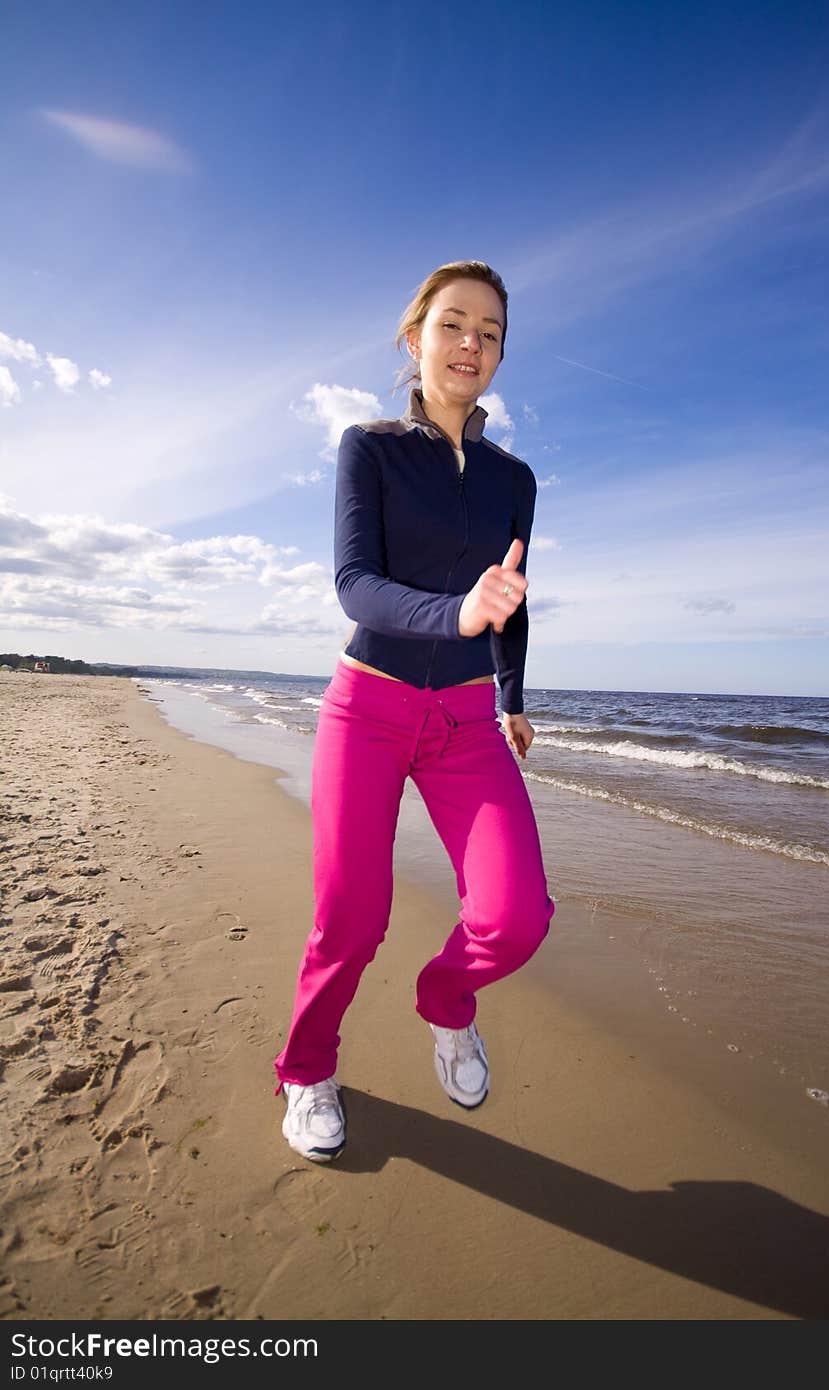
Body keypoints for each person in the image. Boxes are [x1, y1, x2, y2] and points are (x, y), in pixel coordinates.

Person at [274, 260, 555, 1161]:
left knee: (515, 918)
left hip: (468, 720)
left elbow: (510, 592)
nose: (472, 344)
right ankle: (307, 1068)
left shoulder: (516, 478)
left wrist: (509, 693)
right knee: (351, 915)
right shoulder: (371, 447)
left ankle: (445, 1003)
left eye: (492, 332)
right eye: (454, 324)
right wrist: (455, 614)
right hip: (370, 707)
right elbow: (357, 586)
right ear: (416, 337)